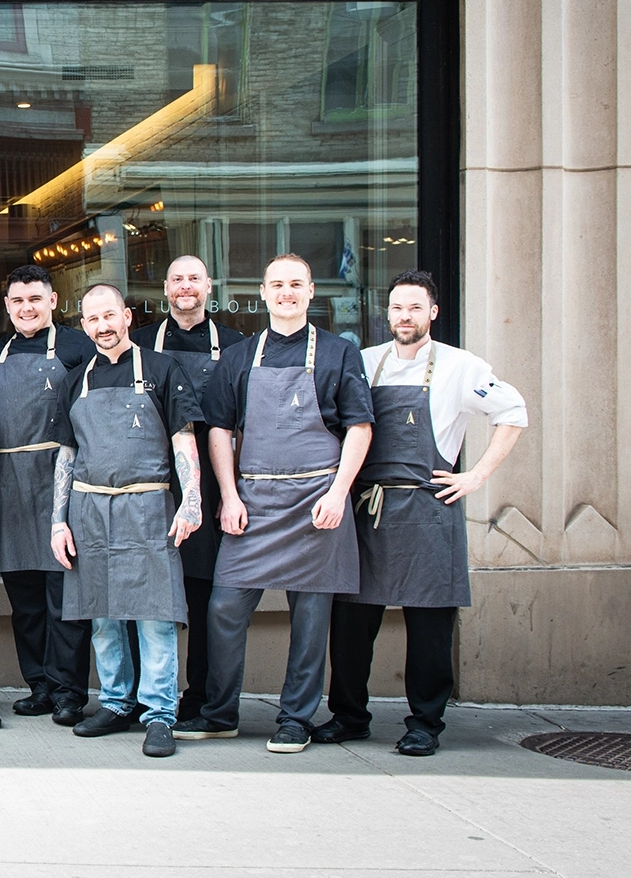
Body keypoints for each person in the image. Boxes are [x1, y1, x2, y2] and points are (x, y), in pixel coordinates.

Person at [314, 270, 526, 756]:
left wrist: (475, 476)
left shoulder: (461, 367)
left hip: (428, 511)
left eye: (414, 307)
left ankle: (425, 724)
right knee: (350, 625)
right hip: (368, 511)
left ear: (432, 312)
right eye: (396, 308)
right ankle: (349, 716)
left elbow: (513, 413)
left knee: (429, 627)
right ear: (386, 313)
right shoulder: (366, 362)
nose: (404, 316)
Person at [181, 254, 374, 753]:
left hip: (317, 502)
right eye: (277, 284)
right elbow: (219, 430)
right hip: (253, 500)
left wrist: (338, 493)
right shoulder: (240, 356)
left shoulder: (339, 353)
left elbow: (359, 427)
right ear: (263, 293)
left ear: (311, 292)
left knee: (310, 620)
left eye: (296, 284)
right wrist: (228, 495)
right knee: (224, 607)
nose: (286, 292)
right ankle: (220, 713)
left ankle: (295, 719)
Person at [51, 284, 203, 759]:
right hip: (89, 510)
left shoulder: (161, 369)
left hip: (148, 507)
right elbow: (66, 456)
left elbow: (183, 439)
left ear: (127, 316)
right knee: (102, 615)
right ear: (84, 325)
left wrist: (192, 500)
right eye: (93, 319)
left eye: (110, 316)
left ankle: (159, 714)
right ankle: (116, 703)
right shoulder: (75, 380)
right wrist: (58, 521)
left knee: (155, 615)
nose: (103, 326)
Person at [130, 255, 244, 722]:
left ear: (208, 286)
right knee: (144, 592)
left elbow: (242, 424)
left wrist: (231, 491)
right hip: (149, 480)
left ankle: (199, 697)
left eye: (194, 278)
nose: (185, 286)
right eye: (177, 279)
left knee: (202, 595)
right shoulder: (140, 344)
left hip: (211, 485)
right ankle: (144, 698)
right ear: (165, 288)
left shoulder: (235, 347)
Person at [0, 264, 94, 725]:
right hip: (8, 482)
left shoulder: (79, 348)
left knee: (64, 596)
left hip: (61, 482)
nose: (26, 308)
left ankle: (69, 691)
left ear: (52, 301)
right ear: (7, 306)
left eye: (35, 299)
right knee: (24, 598)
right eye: (18, 301)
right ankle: (39, 686)